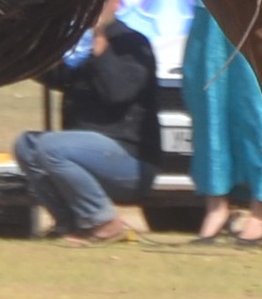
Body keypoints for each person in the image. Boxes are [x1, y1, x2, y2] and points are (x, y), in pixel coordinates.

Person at [14, 15, 167, 242]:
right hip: (87, 155)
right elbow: (61, 78)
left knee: (51, 147)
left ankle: (104, 223)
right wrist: (29, 52)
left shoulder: (132, 44)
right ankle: (70, 223)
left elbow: (118, 93)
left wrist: (101, 48)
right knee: (26, 144)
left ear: (115, 4)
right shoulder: (83, 44)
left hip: (131, 161)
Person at [183, 0, 262, 245]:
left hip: (252, 5)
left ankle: (259, 210)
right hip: (208, 6)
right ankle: (216, 207)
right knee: (208, 103)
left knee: (255, 108)